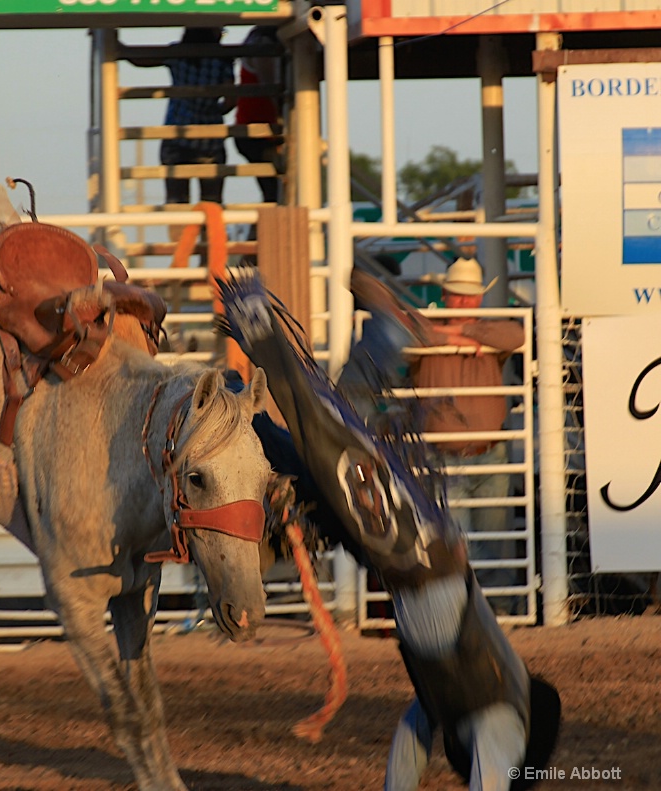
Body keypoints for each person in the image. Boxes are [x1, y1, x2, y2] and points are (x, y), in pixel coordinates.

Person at [218, 270, 559, 791]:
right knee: (325, 441)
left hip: (409, 559)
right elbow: (481, 771)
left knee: (316, 458)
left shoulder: (446, 704)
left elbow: (409, 748)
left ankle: (238, 396)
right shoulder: (503, 718)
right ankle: (262, 344)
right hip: (418, 555)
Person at [408, 258, 524, 613]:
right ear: (444, 295)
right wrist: (456, 334)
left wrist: (464, 333)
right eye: (457, 296)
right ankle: (461, 612)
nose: (463, 302)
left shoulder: (490, 334)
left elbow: (517, 335)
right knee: (453, 542)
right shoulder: (422, 330)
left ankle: (499, 611)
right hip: (442, 458)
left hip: (489, 453)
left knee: (494, 538)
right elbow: (409, 332)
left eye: (470, 296)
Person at [128, 27, 235, 207]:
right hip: (210, 140)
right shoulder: (223, 59)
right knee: (212, 204)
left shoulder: (178, 53)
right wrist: (214, 110)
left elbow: (140, 60)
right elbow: (231, 100)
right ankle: (209, 234)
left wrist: (119, 46)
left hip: (176, 134)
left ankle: (180, 235)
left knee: (176, 203)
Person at [234, 25, 283, 204]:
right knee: (275, 192)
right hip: (259, 128)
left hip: (256, 126)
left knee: (273, 191)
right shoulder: (263, 41)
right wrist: (281, 119)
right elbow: (268, 83)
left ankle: (261, 230)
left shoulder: (258, 38)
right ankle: (264, 230)